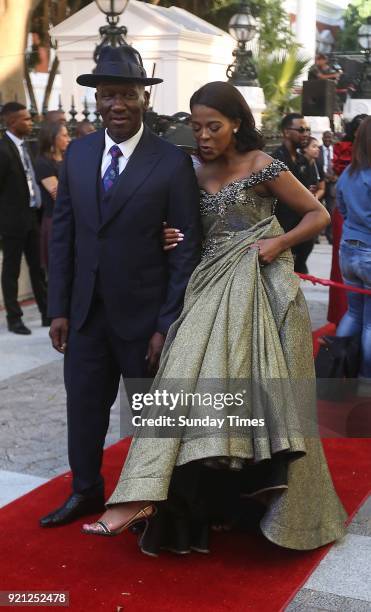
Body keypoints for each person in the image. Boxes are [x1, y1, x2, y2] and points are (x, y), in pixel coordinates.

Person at [83, 82, 346, 556]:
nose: (202, 136)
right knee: (186, 385)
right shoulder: (186, 168)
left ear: (237, 124)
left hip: (264, 291)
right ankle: (161, 501)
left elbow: (317, 214)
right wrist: (171, 236)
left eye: (213, 126)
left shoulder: (263, 166)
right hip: (207, 285)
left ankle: (254, 499)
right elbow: (180, 226)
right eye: (196, 125)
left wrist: (277, 243)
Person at [39, 45, 202, 528]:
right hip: (86, 314)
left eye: (127, 94)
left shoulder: (171, 161)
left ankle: (154, 500)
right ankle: (86, 490)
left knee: (154, 419)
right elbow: (65, 233)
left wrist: (166, 323)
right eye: (108, 95)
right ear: (96, 99)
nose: (117, 104)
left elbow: (186, 248)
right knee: (84, 410)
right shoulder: (80, 153)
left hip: (144, 317)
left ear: (143, 99)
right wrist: (59, 309)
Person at [0, 102, 48, 335]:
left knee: (37, 267)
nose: (30, 122)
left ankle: (46, 312)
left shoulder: (27, 146)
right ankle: (14, 318)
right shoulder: (2, 149)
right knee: (12, 270)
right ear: (11, 122)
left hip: (31, 217)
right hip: (12, 222)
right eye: (26, 119)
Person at [335, 116, 371, 378]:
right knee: (370, 323)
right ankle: (365, 379)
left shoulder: (349, 173)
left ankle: (339, 368)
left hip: (348, 249)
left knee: (354, 313)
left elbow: (342, 209)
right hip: (369, 251)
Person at [328, 114, 368, 326]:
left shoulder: (351, 167)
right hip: (354, 221)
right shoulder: (345, 152)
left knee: (353, 311)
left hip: (349, 220)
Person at [272, 113, 314, 273]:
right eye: (301, 129)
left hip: (302, 233)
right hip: (282, 232)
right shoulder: (274, 161)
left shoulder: (304, 161)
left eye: (308, 130)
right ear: (286, 132)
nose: (305, 134)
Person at [35, 122, 71, 272]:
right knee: (58, 269)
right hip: (56, 221)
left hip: (72, 218)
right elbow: (58, 194)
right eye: (64, 135)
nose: (69, 139)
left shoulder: (67, 158)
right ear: (52, 138)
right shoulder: (43, 163)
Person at [319, 131, 336, 244]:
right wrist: (324, 176)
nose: (327, 139)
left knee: (331, 210)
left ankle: (330, 236)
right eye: (326, 137)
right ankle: (315, 236)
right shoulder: (317, 149)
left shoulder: (336, 151)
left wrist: (335, 176)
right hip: (320, 183)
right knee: (318, 209)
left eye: (330, 137)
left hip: (332, 184)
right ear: (322, 138)